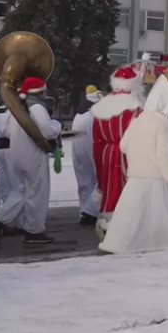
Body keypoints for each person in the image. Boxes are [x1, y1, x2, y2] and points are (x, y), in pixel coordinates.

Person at [100, 75, 168, 254]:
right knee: (164, 215)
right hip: (157, 177)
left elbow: (123, 146)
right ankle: (159, 241)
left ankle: (123, 242)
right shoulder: (163, 124)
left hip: (136, 177)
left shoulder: (137, 122)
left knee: (131, 215)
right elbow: (163, 154)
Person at [0, 77, 61, 244]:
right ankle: (34, 231)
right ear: (41, 92)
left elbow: (7, 131)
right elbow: (48, 131)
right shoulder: (36, 106)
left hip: (16, 153)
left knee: (20, 191)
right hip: (33, 154)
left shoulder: (17, 107)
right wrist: (57, 124)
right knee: (37, 192)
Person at [91, 65, 145, 236]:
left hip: (107, 153)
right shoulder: (135, 106)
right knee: (130, 188)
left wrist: (100, 161)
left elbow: (97, 140)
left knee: (109, 187)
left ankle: (109, 220)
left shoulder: (102, 106)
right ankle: (128, 225)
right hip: (130, 153)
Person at [66, 85, 102, 227]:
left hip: (78, 148)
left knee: (84, 180)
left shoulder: (79, 114)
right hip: (91, 146)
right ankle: (91, 211)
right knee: (100, 179)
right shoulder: (94, 113)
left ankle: (84, 210)